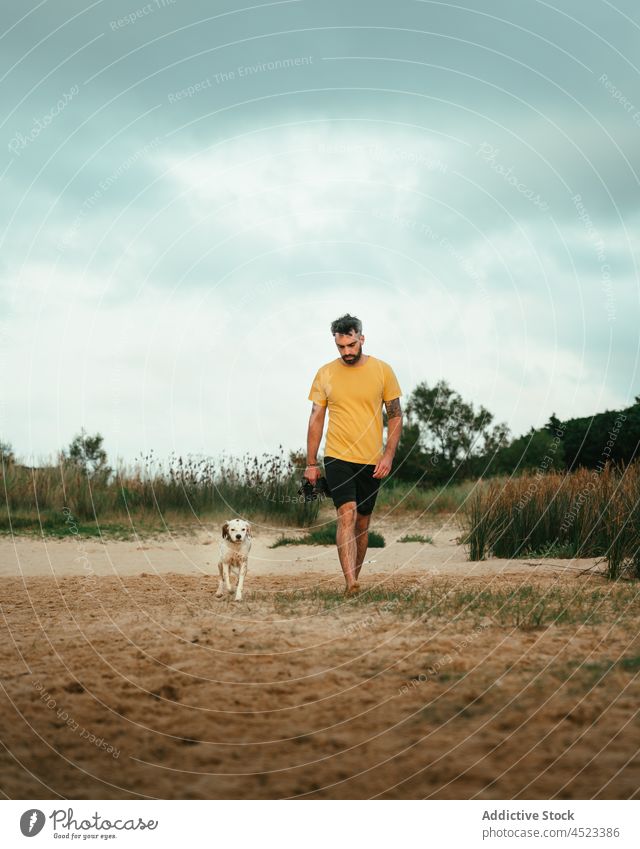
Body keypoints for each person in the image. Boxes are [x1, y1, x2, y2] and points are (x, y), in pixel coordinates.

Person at [305, 314, 403, 595]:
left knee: (362, 522)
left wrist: (388, 455)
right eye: (341, 347)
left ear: (362, 338)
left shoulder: (383, 371)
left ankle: (354, 579)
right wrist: (311, 463)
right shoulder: (325, 373)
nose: (346, 352)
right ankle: (350, 582)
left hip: (371, 460)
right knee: (346, 515)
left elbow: (395, 416)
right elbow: (315, 418)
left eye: (351, 345)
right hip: (337, 456)